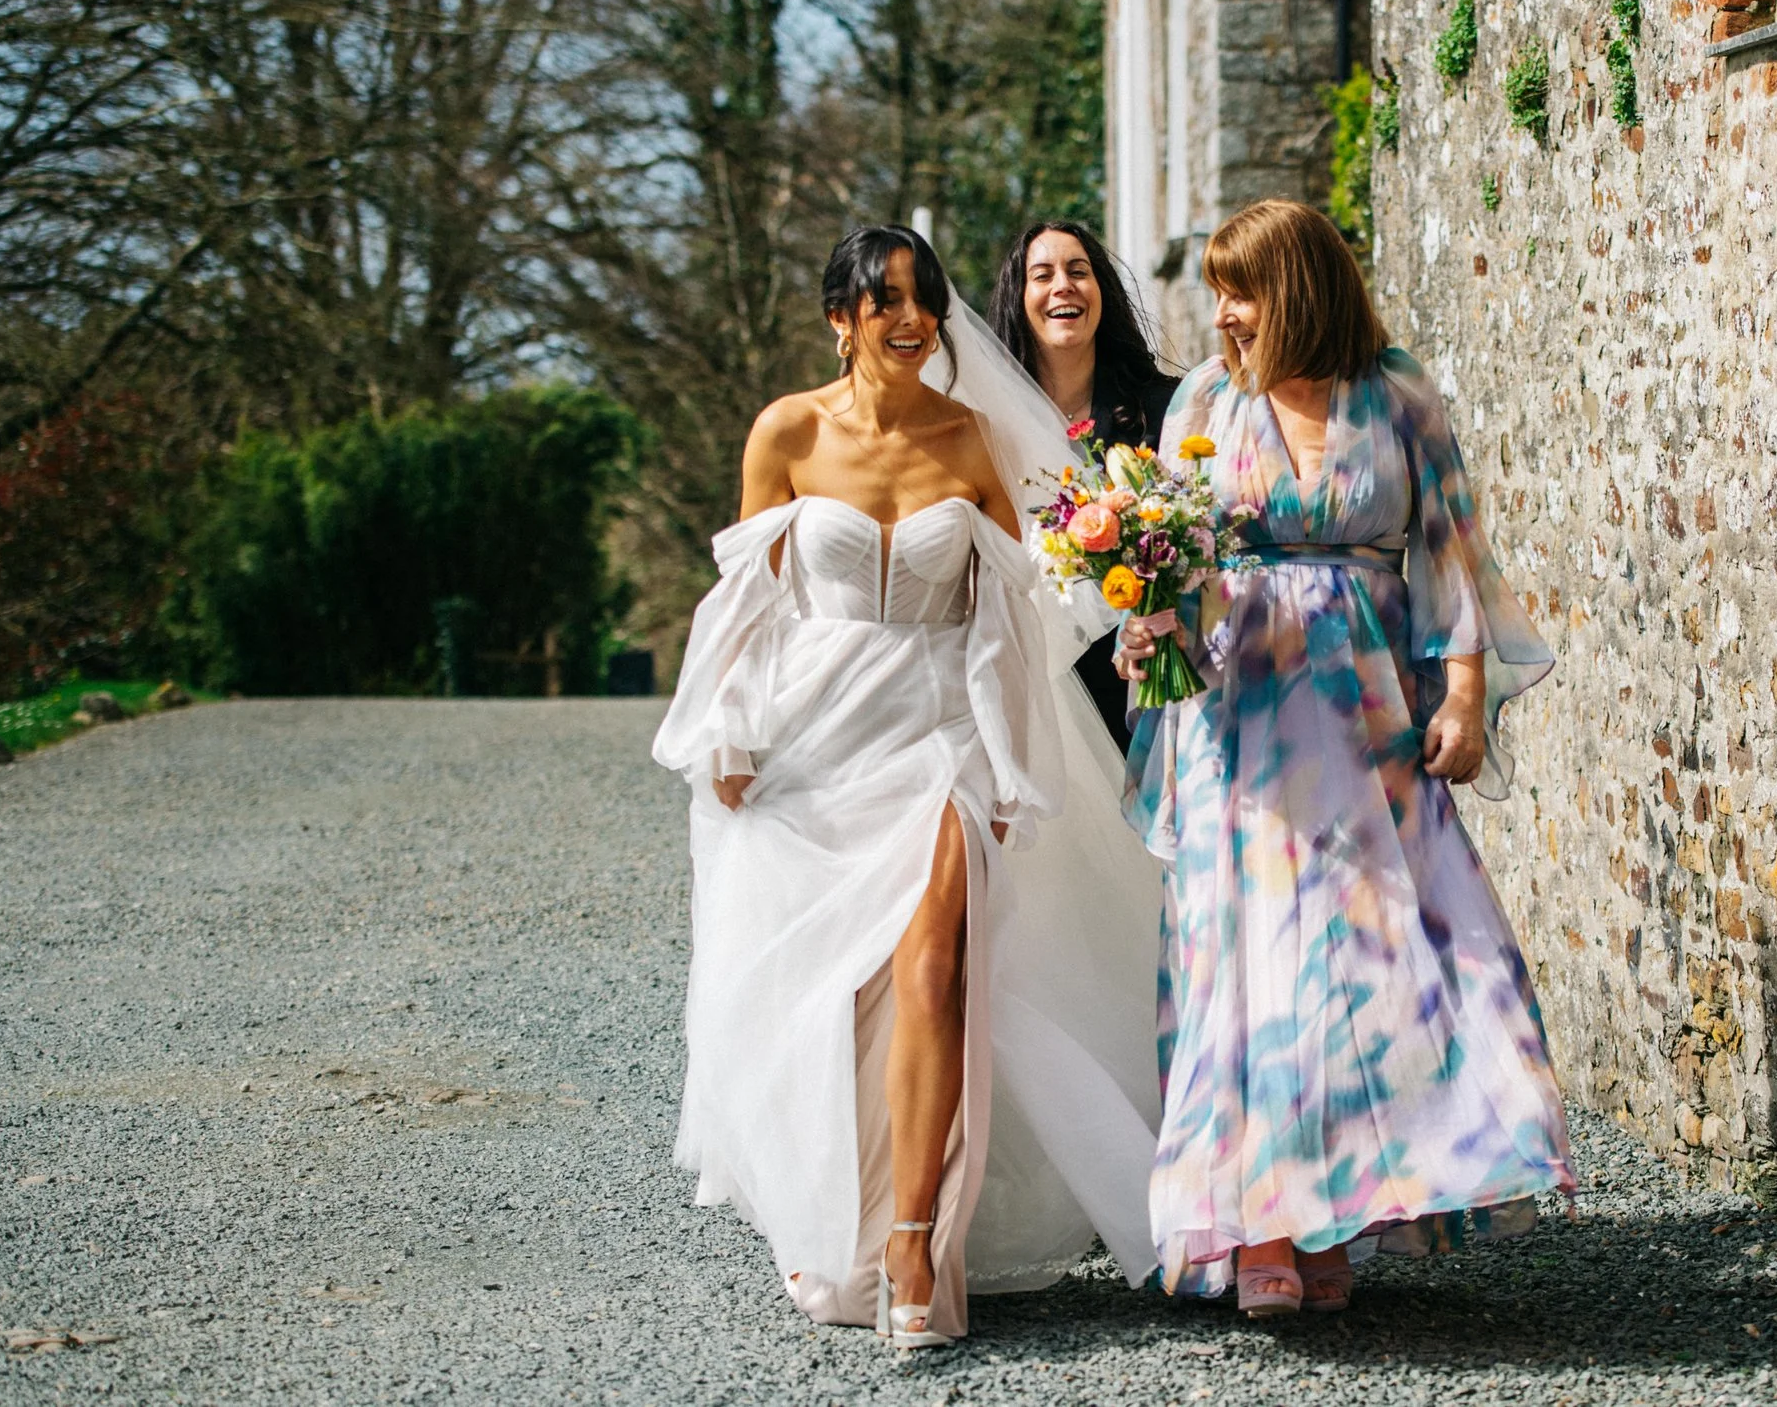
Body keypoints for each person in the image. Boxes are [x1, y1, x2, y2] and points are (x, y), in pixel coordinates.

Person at [653, 225, 1161, 1348]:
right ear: (839, 319)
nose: (906, 317)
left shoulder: (974, 437)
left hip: (940, 734)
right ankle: (835, 1211)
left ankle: (914, 1238)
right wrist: (729, 733)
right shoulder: (786, 430)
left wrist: (1133, 576)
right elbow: (743, 600)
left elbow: (1047, 587)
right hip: (812, 743)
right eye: (880, 299)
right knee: (819, 997)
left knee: (934, 971)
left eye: (920, 297)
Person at [1117, 198, 1574, 1316]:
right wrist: (1148, 617)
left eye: (1243, 290)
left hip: (1372, 715)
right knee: (1256, 964)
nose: (1223, 313)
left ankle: (1338, 1210)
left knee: (1371, 961)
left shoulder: (1396, 394)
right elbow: (1172, 559)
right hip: (1239, 716)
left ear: (1301, 290)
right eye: (1218, 290)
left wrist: (1465, 695)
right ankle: (1265, 1222)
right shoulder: (1205, 405)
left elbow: (1450, 549)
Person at [989, 220, 1180, 747]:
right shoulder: (987, 428)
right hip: (1032, 677)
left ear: (1103, 292)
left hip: (1146, 676)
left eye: (1079, 272)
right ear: (1019, 297)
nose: (1063, 287)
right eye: (1042, 275)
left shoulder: (1163, 409)